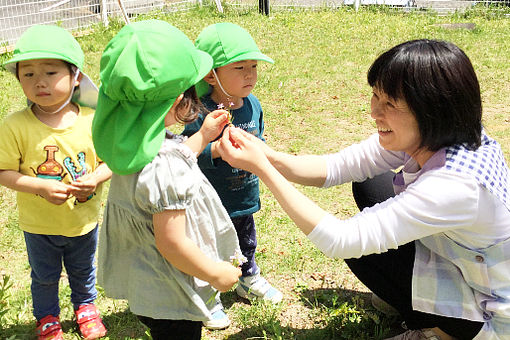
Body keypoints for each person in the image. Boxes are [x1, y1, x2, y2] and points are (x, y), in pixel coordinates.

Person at [217, 39, 510, 340]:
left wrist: (261, 169)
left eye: (390, 104)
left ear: (431, 110)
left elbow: (341, 240)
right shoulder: (443, 133)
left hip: (493, 306)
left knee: (362, 245)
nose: (374, 112)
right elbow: (338, 166)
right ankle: (416, 302)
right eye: (375, 96)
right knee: (371, 185)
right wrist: (269, 156)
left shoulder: (455, 186)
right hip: (461, 262)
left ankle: (449, 330)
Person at [91, 20, 242, 340]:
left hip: (146, 283)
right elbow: (172, 242)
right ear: (177, 99)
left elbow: (165, 164)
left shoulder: (132, 144)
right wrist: (216, 273)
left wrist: (202, 137)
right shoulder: (164, 167)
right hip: (170, 291)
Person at [0, 25, 111, 340]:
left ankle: (86, 307)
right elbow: (3, 171)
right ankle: (47, 317)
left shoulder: (91, 119)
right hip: (39, 224)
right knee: (44, 276)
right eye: (28, 75)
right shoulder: (15, 125)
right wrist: (40, 187)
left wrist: (94, 178)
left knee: (83, 270)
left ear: (76, 76)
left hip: (84, 220)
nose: (40, 82)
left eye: (50, 71)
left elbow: (109, 163)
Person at [181, 22, 282, 328]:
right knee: (207, 249)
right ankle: (207, 296)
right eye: (239, 67)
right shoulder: (199, 111)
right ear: (211, 74)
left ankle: (247, 277)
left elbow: (259, 141)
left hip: (243, 193)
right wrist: (215, 150)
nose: (250, 74)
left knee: (245, 240)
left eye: (254, 66)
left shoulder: (252, 105)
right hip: (210, 201)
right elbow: (186, 155)